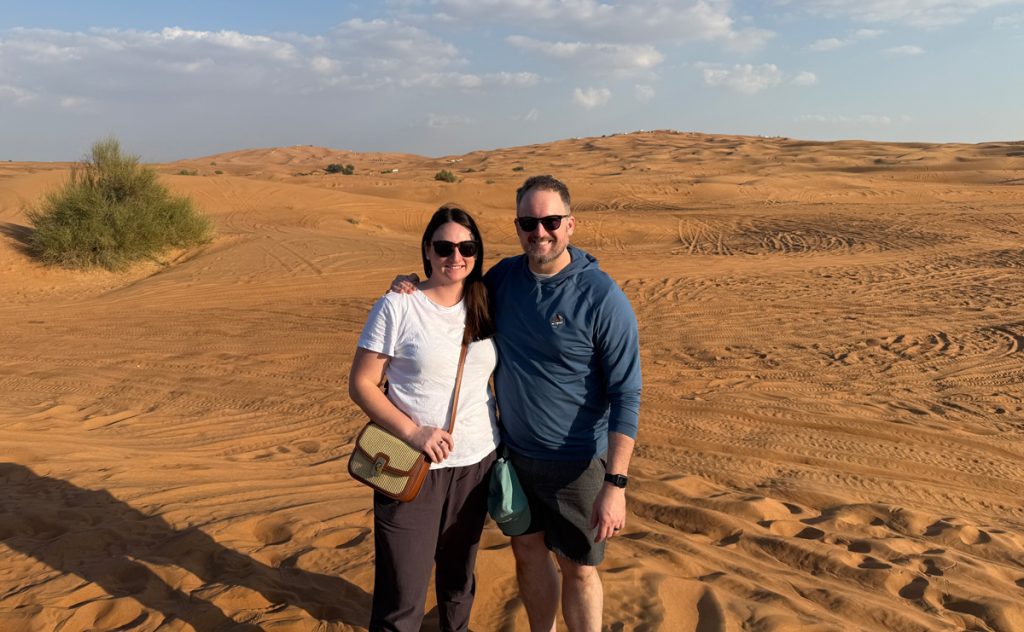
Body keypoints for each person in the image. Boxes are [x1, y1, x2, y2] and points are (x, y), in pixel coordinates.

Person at [393, 176, 642, 632]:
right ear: (518, 225)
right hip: (513, 458)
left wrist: (616, 484)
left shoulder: (602, 297)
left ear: (570, 224)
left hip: (578, 465)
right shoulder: (504, 278)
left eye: (550, 221)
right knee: (527, 553)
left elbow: (627, 393)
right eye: (529, 221)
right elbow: (453, 283)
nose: (540, 232)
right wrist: (412, 281)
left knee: (580, 569)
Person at [349, 204, 500, 632]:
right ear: (427, 251)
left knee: (458, 585)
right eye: (444, 246)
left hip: (476, 465)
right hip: (411, 467)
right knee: (402, 596)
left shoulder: (486, 300)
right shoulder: (397, 307)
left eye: (467, 247)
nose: (456, 256)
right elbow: (361, 384)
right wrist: (414, 432)